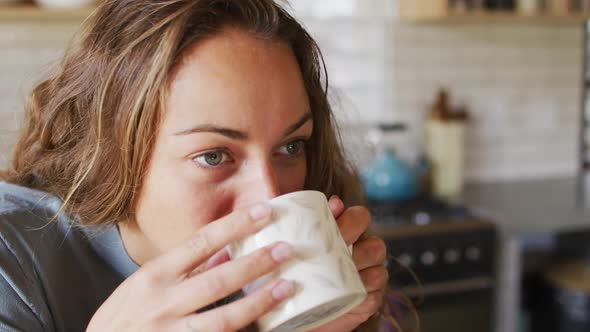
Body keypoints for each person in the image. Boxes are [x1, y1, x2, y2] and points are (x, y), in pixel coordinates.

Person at [0, 0, 391, 331]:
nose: (269, 198)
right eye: (214, 156)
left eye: (290, 147)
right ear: (112, 150)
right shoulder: (11, 257)